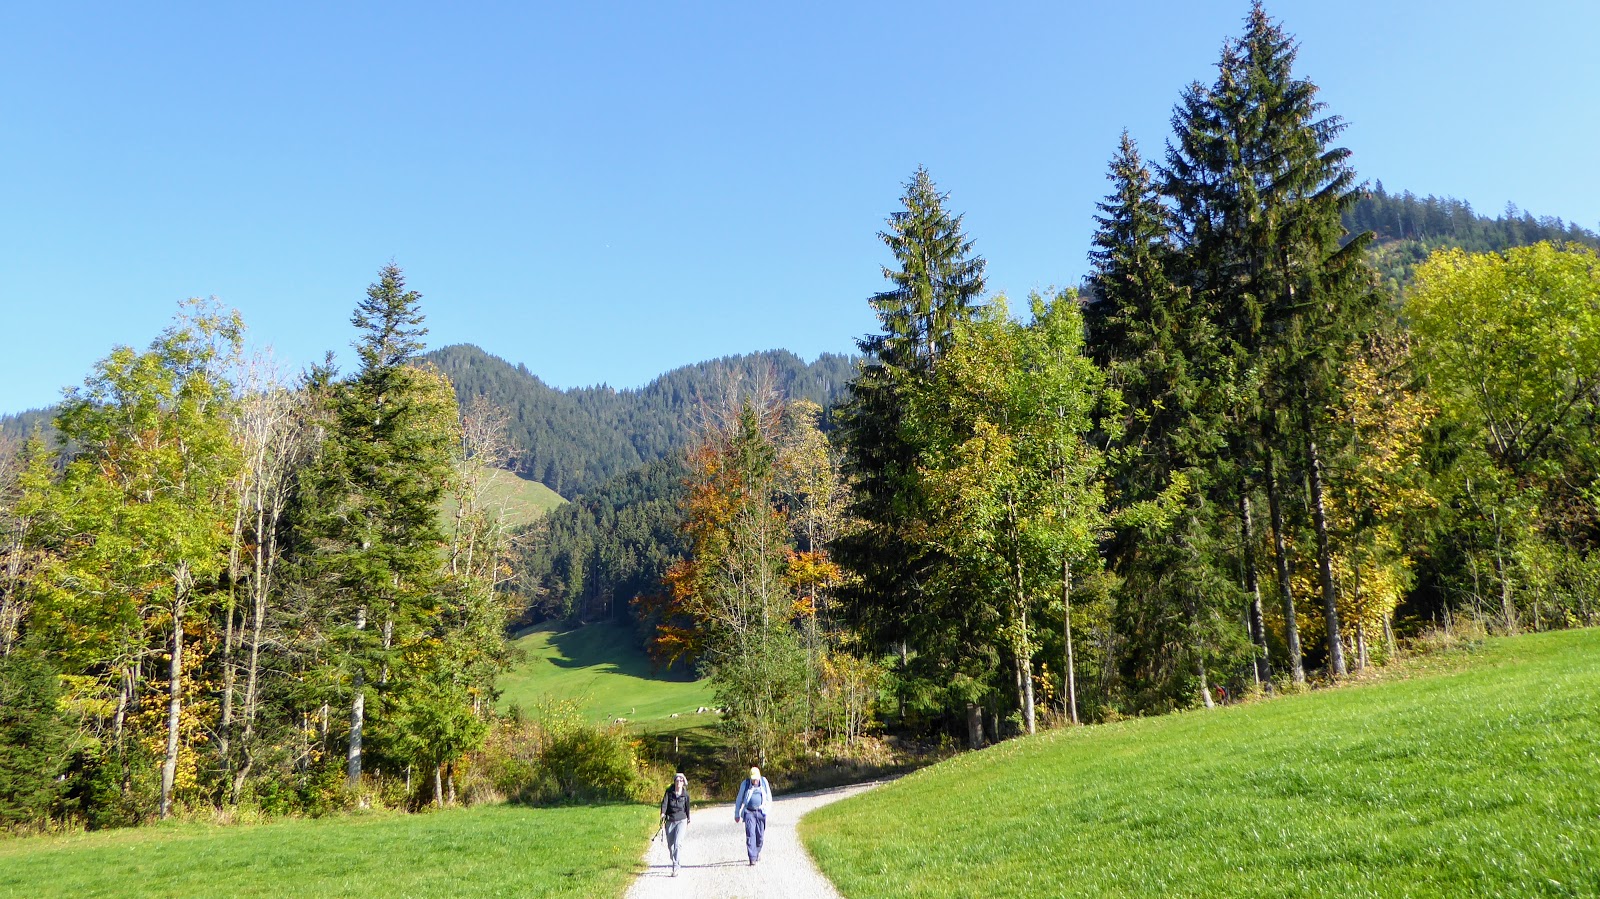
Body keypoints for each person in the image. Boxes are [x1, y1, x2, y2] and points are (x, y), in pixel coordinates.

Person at [733, 766, 771, 865]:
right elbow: (739, 799)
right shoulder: (745, 784)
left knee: (760, 837)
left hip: (761, 812)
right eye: (753, 779)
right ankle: (752, 858)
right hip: (749, 812)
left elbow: (769, 798)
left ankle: (757, 852)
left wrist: (766, 809)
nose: (755, 781)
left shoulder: (764, 782)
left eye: (756, 779)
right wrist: (737, 814)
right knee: (750, 835)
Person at [659, 772, 691, 876]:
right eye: (677, 780)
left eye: (681, 781)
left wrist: (688, 818)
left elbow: (687, 807)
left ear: (683, 783)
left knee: (678, 843)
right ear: (674, 782)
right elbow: (664, 804)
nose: (679, 782)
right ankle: (674, 860)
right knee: (671, 845)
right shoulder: (669, 793)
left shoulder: (685, 794)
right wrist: (662, 813)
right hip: (670, 820)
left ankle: (676, 866)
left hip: (682, 820)